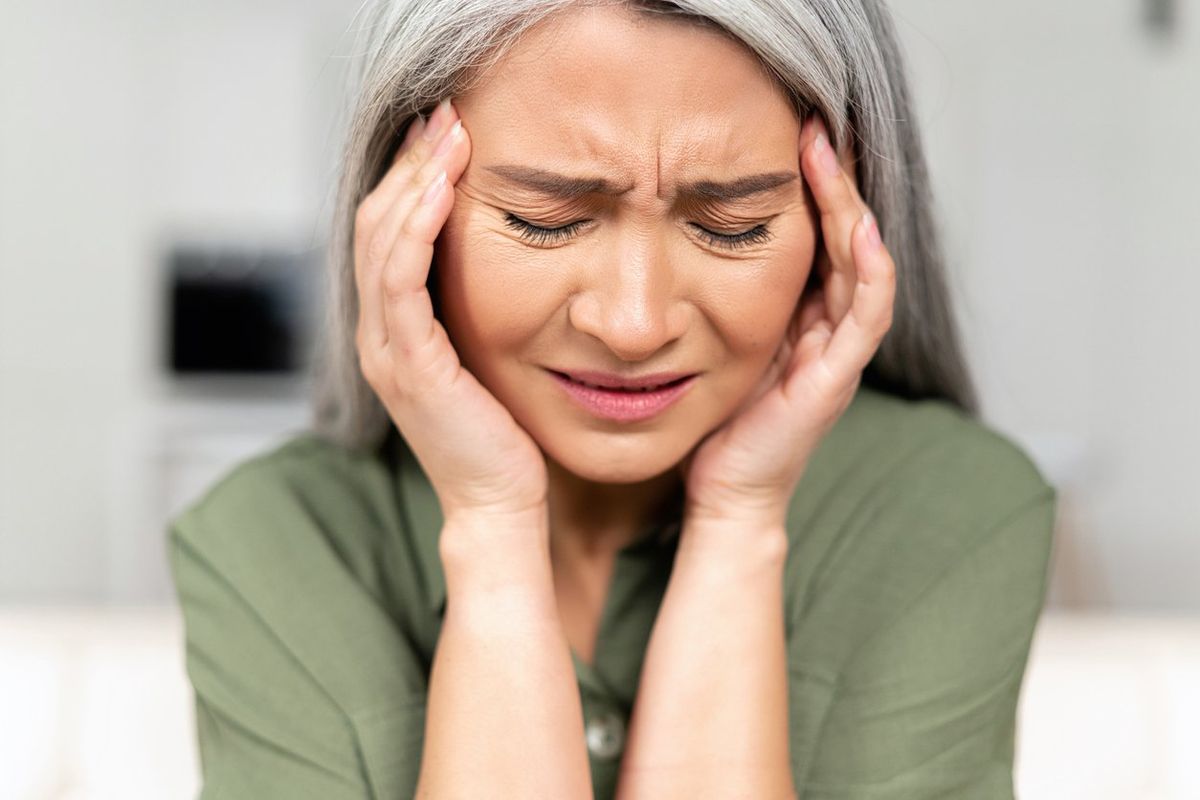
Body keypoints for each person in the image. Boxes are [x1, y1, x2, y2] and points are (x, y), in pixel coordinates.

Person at [167, 1, 1057, 798]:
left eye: (732, 226)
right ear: (402, 204)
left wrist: (742, 527)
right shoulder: (270, 542)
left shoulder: (949, 511)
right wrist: (489, 525)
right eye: (544, 219)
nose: (633, 324)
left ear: (840, 215)